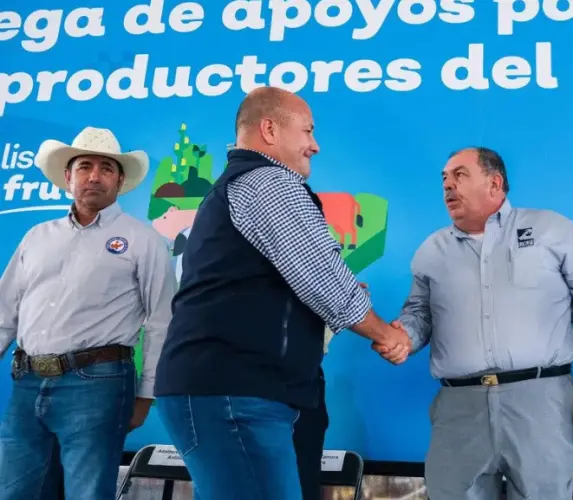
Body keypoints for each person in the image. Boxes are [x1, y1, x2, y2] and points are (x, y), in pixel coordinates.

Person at [154, 87, 411, 499]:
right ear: (269, 130)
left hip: (227, 391)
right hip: (233, 394)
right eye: (308, 131)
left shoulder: (239, 185)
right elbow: (322, 277)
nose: (315, 145)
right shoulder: (268, 181)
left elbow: (287, 284)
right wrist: (386, 334)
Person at [375, 147, 573, 500]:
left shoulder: (552, 229)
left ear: (495, 182)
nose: (447, 186)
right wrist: (402, 338)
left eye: (459, 175)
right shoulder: (431, 250)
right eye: (444, 178)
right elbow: (419, 316)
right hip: (459, 406)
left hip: (541, 402)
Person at [0, 126, 176, 500]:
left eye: (105, 168)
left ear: (120, 179)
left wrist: (146, 395)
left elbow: (162, 321)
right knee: (15, 492)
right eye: (84, 166)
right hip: (26, 382)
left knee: (87, 494)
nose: (94, 176)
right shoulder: (37, 236)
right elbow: (5, 312)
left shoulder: (142, 240)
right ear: (68, 176)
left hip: (98, 383)